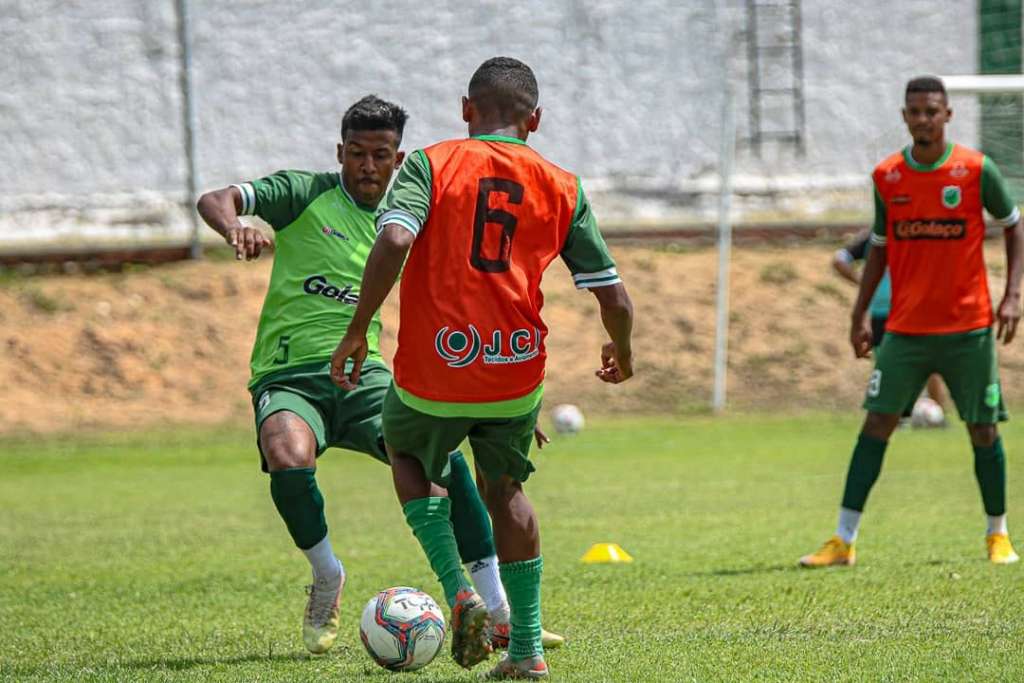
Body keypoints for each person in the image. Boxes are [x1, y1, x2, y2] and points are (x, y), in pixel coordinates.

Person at [196, 95, 562, 656]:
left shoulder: (417, 218)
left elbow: (480, 297)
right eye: (357, 153)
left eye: (381, 155)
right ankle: (327, 576)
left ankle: (497, 610)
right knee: (287, 455)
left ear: (399, 159)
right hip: (290, 373)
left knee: (444, 461)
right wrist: (235, 227)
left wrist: (508, 395)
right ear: (340, 152)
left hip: (365, 375)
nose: (367, 166)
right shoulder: (304, 193)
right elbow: (214, 198)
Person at [331, 57, 635, 679]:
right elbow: (615, 297)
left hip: (436, 366)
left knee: (408, 455)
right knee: (507, 493)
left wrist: (359, 328)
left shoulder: (431, 164)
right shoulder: (563, 186)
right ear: (536, 119)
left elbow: (392, 240)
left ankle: (459, 589)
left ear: (467, 109)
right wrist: (621, 352)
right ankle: (526, 651)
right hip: (514, 372)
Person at [801, 76, 1023, 568]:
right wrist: (859, 315)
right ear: (905, 116)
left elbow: (1013, 224)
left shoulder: (975, 170)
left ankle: (998, 535)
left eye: (932, 111)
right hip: (905, 329)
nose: (923, 119)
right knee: (878, 421)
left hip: (969, 328)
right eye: (915, 111)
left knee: (982, 429)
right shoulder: (888, 176)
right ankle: (843, 540)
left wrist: (1012, 294)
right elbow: (878, 250)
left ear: (948, 115)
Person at [833, 229, 948, 423]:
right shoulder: (899, 233)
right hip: (901, 309)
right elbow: (839, 260)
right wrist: (863, 283)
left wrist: (863, 284)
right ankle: (929, 416)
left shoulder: (878, 236)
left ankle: (899, 416)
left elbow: (839, 260)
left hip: (894, 310)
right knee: (925, 362)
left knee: (889, 365)